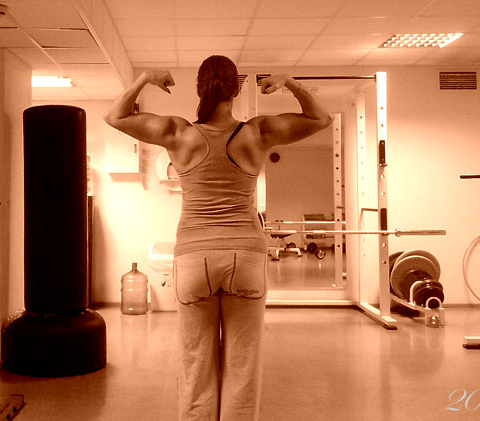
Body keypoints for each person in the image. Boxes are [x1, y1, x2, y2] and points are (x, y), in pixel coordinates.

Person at [104, 55, 333, 421]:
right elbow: (321, 119)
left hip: (194, 259)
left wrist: (145, 78)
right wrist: (290, 83)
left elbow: (114, 116)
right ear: (235, 90)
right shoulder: (257, 132)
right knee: (243, 364)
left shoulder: (178, 132)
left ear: (200, 89)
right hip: (246, 257)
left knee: (195, 362)